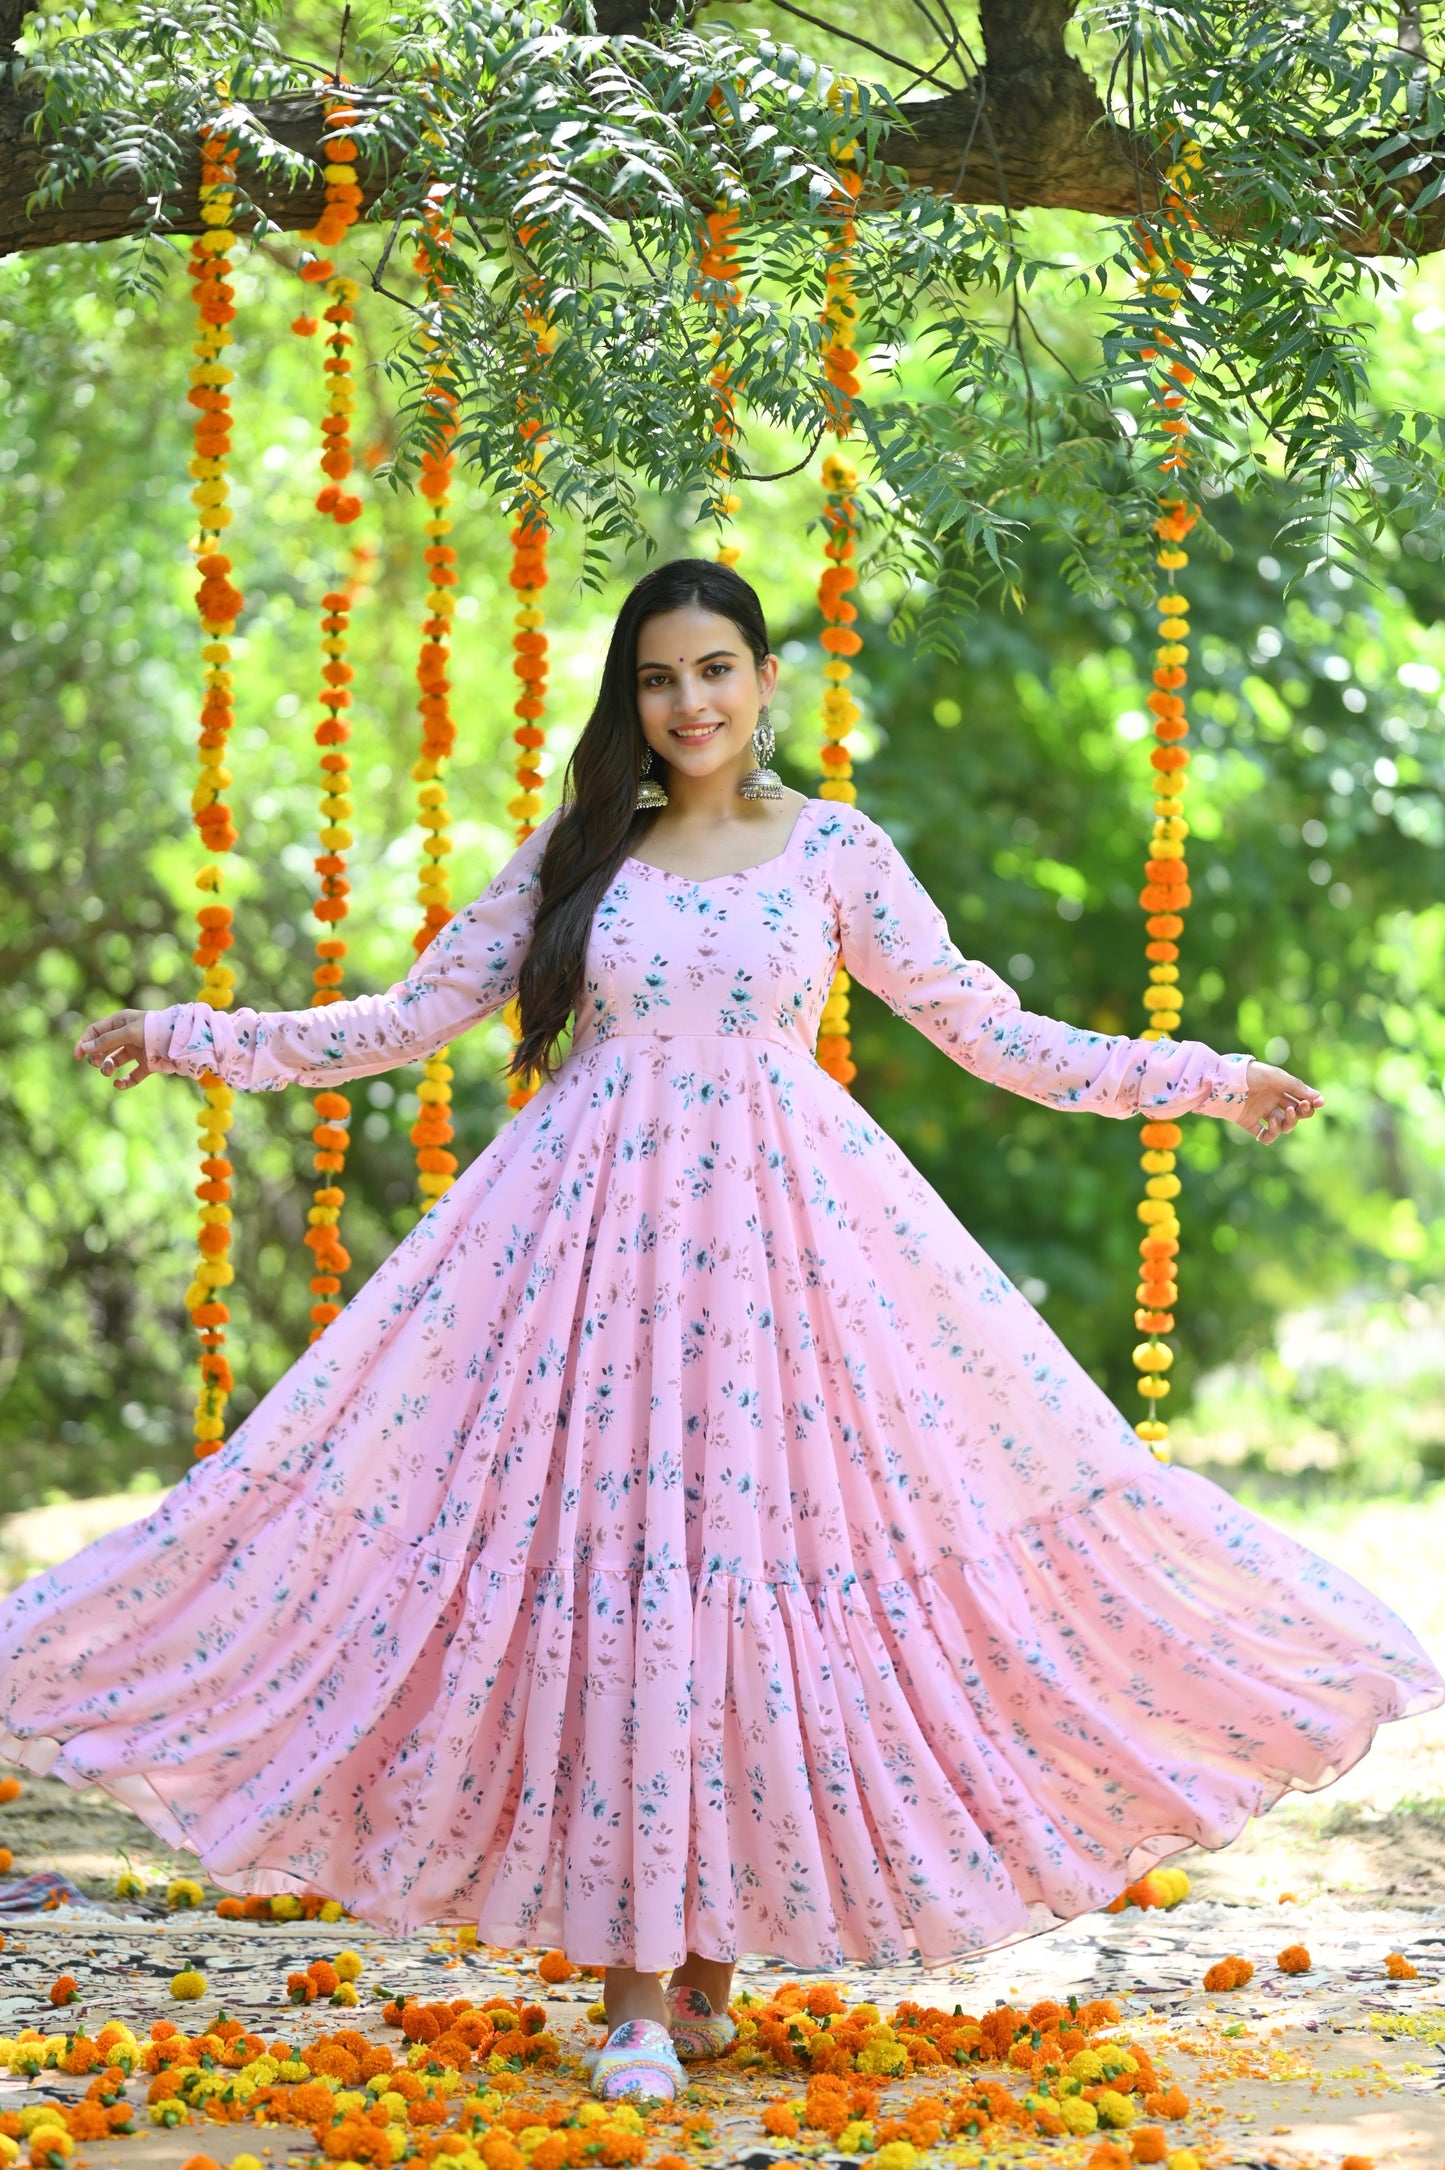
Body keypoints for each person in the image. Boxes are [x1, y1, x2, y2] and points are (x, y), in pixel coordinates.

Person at [4, 560, 1440, 2105]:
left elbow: (990, 1028)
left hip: (787, 1263)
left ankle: (701, 1972)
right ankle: (631, 1989)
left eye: (713, 669)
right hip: (583, 1268)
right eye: (656, 678)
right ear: (631, 701)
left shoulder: (833, 849)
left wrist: (1208, 1077)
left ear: (764, 679)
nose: (687, 702)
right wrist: (194, 1035)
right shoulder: (581, 857)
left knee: (748, 1574)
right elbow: (401, 1017)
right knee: (625, 1571)